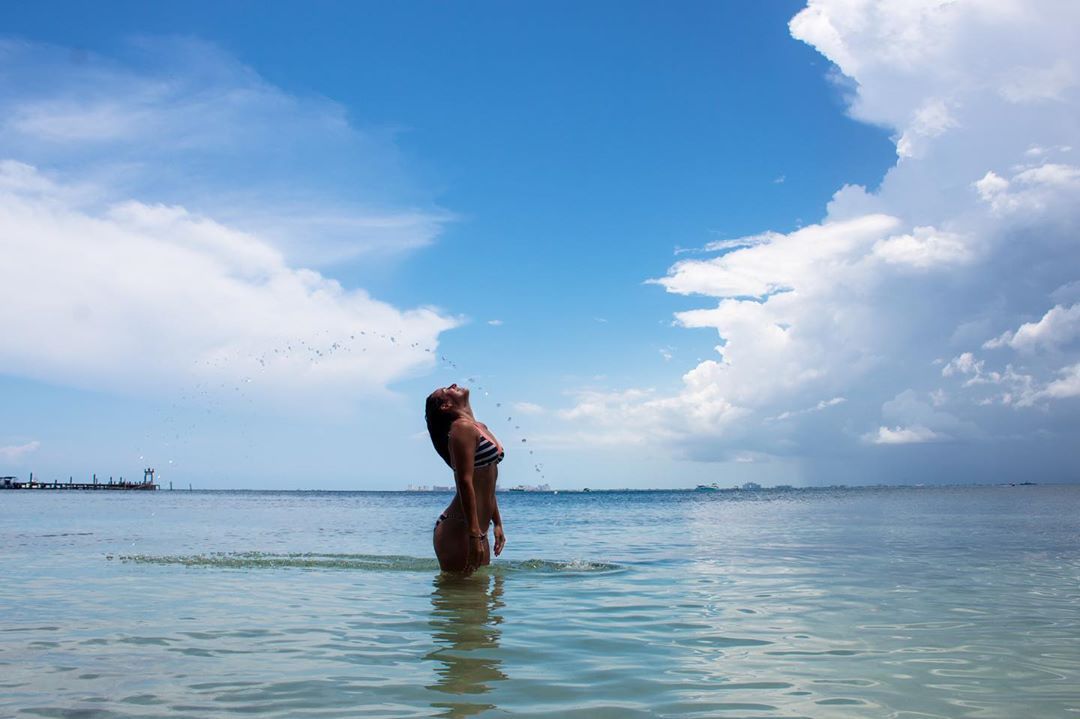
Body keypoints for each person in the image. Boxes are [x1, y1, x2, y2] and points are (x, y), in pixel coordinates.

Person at [425, 384, 507, 574]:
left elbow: (487, 483)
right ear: (445, 406)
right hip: (461, 529)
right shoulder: (460, 428)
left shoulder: (480, 427)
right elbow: (464, 482)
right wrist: (473, 535)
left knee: (477, 599)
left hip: (477, 530)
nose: (453, 386)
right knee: (459, 597)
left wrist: (497, 523)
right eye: (447, 390)